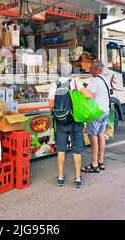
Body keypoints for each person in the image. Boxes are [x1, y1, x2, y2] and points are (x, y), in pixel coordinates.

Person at [48, 61, 85, 189]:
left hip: (61, 122)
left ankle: (60, 177)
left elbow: (51, 105)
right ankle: (78, 178)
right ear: (70, 71)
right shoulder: (75, 82)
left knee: (61, 149)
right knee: (77, 149)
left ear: (58, 72)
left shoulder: (54, 84)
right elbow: (88, 95)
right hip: (75, 121)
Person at [81, 60, 110, 173]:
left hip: (96, 113)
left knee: (93, 138)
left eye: (91, 67)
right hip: (105, 111)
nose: (89, 69)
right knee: (101, 135)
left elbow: (90, 97)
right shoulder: (105, 79)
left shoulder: (95, 80)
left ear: (96, 69)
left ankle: (94, 164)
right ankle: (100, 162)